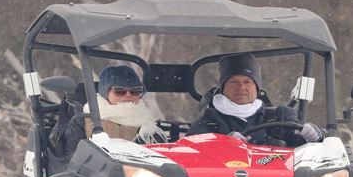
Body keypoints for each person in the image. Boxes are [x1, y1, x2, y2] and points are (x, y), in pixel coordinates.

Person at [186, 52, 324, 147]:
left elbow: (301, 145)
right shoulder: (208, 121)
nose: (241, 87)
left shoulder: (280, 117)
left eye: (247, 82)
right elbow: (191, 147)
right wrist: (223, 143)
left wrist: (314, 136)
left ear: (257, 88)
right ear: (223, 88)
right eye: (233, 82)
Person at [51, 64, 164, 159]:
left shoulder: (149, 126)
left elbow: (160, 158)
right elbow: (71, 157)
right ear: (106, 93)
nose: (128, 96)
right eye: (120, 91)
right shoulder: (85, 119)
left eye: (135, 91)